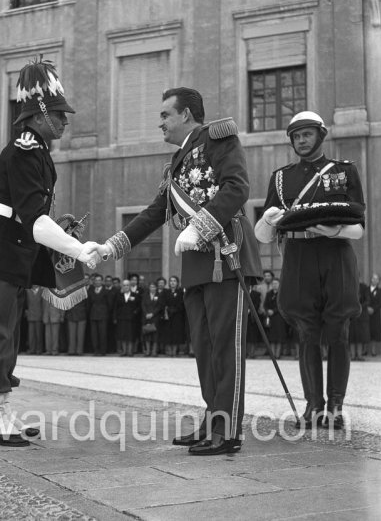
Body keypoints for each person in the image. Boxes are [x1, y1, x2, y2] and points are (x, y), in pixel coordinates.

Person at [98, 87, 262, 455]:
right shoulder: (176, 164)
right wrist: (112, 246)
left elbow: (237, 188)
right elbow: (155, 212)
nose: (159, 123)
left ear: (186, 115)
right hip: (196, 264)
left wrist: (199, 227)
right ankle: (212, 418)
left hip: (225, 256)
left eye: (164, 115)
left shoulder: (219, 139)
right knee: (204, 347)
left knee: (225, 346)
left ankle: (227, 429)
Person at [0, 57, 97, 446]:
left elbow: (37, 217)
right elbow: (33, 221)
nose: (65, 122)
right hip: (1, 250)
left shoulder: (37, 150)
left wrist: (61, 228)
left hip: (12, 251)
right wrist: (79, 249)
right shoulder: (23, 150)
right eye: (59, 115)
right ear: (39, 115)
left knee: (8, 334)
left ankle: (0, 412)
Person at [255, 111, 365, 430]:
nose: (301, 141)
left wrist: (330, 231)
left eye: (307, 134)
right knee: (307, 334)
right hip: (298, 256)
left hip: (336, 254)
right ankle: (313, 406)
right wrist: (268, 219)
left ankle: (336, 407)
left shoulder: (344, 172)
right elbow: (264, 236)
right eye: (296, 136)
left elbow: (357, 229)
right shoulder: (280, 178)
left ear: (321, 135)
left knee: (338, 333)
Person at [114, 280, 141, 356]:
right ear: (122, 286)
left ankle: (130, 351)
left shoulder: (135, 295)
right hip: (121, 318)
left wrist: (135, 312)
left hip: (132, 319)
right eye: (124, 285)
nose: (126, 287)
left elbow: (139, 306)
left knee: (131, 335)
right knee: (122, 335)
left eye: (127, 285)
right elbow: (115, 307)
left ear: (130, 286)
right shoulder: (119, 295)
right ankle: (124, 351)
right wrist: (115, 317)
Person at [87, 274, 111, 356]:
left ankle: (103, 350)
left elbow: (109, 304)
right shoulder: (90, 290)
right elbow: (88, 304)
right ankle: (96, 350)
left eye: (99, 280)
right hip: (93, 315)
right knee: (94, 334)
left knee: (103, 334)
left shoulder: (106, 291)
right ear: (94, 281)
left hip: (103, 315)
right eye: (96, 280)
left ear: (102, 281)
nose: (97, 282)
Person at [264, 279, 287, 359]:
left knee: (279, 337)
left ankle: (278, 354)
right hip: (271, 318)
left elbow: (282, 304)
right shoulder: (268, 293)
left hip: (279, 317)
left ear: (279, 284)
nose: (274, 285)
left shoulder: (283, 293)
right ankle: (272, 354)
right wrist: (267, 310)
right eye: (273, 283)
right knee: (272, 337)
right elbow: (265, 304)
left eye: (276, 283)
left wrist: (274, 311)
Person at [166, 275, 186, 357]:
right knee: (168, 334)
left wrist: (175, 310)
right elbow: (163, 302)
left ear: (177, 283)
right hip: (167, 316)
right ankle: (169, 351)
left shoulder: (180, 292)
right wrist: (168, 310)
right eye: (171, 281)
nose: (172, 282)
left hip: (177, 316)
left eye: (174, 281)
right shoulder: (166, 292)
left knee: (176, 334)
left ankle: (174, 351)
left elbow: (182, 303)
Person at [350, 281, 370, 361]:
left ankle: (359, 355)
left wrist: (359, 307)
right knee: (351, 336)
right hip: (350, 314)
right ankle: (352, 355)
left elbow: (368, 300)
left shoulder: (364, 287)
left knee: (360, 337)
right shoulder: (348, 284)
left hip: (361, 315)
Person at [141, 281, 161, 357]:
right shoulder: (145, 295)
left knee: (155, 335)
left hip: (155, 317)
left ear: (156, 288)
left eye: (154, 287)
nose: (152, 288)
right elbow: (143, 305)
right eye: (151, 287)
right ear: (149, 288)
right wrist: (146, 314)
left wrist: (152, 314)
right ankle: (148, 351)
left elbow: (159, 306)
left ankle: (154, 351)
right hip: (146, 317)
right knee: (147, 334)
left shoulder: (159, 295)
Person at [25, 285, 44, 354]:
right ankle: (32, 349)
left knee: (39, 334)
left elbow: (43, 304)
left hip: (39, 315)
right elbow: (25, 303)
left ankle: (39, 350)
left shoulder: (42, 291)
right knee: (31, 334)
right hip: (30, 315)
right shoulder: (27, 291)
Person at [368, 273, 381, 357]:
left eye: (376, 279)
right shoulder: (366, 289)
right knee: (366, 332)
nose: (375, 280)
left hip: (375, 314)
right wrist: (367, 308)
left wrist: (373, 309)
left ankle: (373, 350)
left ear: (378, 281)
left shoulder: (380, 291)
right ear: (371, 279)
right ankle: (364, 350)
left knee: (375, 332)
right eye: (373, 278)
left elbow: (380, 303)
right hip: (366, 314)